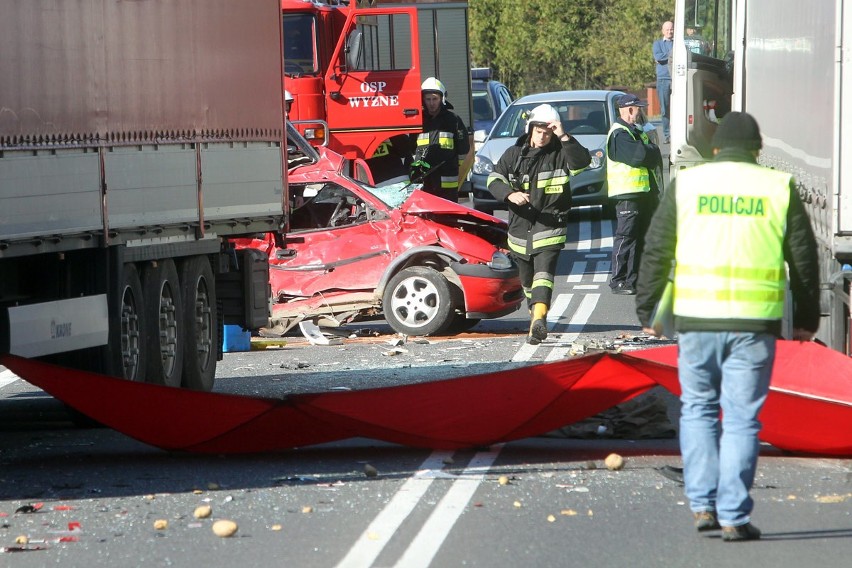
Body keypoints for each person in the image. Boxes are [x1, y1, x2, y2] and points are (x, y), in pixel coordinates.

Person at [635, 112, 820, 541]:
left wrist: (649, 312)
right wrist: (807, 320)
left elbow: (656, 249)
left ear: (715, 148)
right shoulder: (777, 187)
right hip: (754, 324)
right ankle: (734, 514)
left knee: (698, 409)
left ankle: (702, 505)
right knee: (741, 419)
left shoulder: (689, 184)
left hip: (697, 320)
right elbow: (804, 258)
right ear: (757, 150)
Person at [486, 104, 591, 344]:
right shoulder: (513, 154)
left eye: (548, 132)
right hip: (519, 229)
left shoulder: (561, 153)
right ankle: (536, 312)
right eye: (539, 131)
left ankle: (539, 321)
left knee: (544, 274)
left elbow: (582, 162)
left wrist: (564, 135)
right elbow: (494, 178)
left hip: (550, 227)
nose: (543, 136)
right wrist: (509, 194)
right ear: (530, 129)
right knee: (527, 280)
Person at [606, 93, 663, 296]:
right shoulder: (619, 133)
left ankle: (634, 279)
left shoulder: (635, 131)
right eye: (638, 108)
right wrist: (650, 152)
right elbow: (640, 156)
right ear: (630, 109)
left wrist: (650, 152)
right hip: (628, 194)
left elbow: (654, 152)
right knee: (626, 237)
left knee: (641, 237)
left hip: (644, 194)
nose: (641, 111)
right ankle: (619, 280)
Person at [411, 77, 470, 202]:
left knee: (448, 217)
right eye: (428, 99)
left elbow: (463, 148)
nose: (431, 103)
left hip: (447, 181)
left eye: (435, 99)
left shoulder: (453, 120)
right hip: (424, 179)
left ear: (442, 99)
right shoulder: (417, 121)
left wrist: (452, 166)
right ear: (423, 100)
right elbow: (411, 148)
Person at [653, 21, 674, 142]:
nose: (669, 31)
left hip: (677, 79)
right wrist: (673, 55)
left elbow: (662, 58)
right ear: (662, 31)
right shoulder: (657, 44)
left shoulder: (679, 44)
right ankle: (667, 135)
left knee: (678, 108)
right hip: (663, 80)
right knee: (665, 109)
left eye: (671, 29)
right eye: (667, 30)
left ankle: (678, 133)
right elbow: (658, 57)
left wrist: (664, 57)